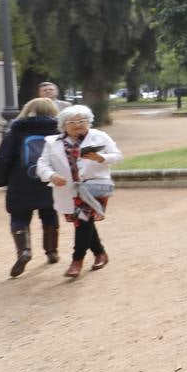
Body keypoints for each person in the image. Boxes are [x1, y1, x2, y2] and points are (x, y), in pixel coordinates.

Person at [35, 105, 122, 279]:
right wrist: (51, 175)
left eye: (82, 121)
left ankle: (77, 261)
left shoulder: (100, 136)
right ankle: (100, 253)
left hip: (95, 188)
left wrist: (101, 158)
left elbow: (117, 155)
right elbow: (42, 165)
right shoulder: (52, 142)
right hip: (68, 190)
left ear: (89, 122)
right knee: (85, 223)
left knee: (83, 220)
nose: (78, 125)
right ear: (63, 125)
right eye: (72, 122)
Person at [0, 97, 61, 276]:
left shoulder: (16, 128)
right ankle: (51, 251)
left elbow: (3, 157)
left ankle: (24, 251)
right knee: (49, 213)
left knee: (19, 216)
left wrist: (0, 179)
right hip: (50, 178)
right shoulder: (58, 128)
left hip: (20, 178)